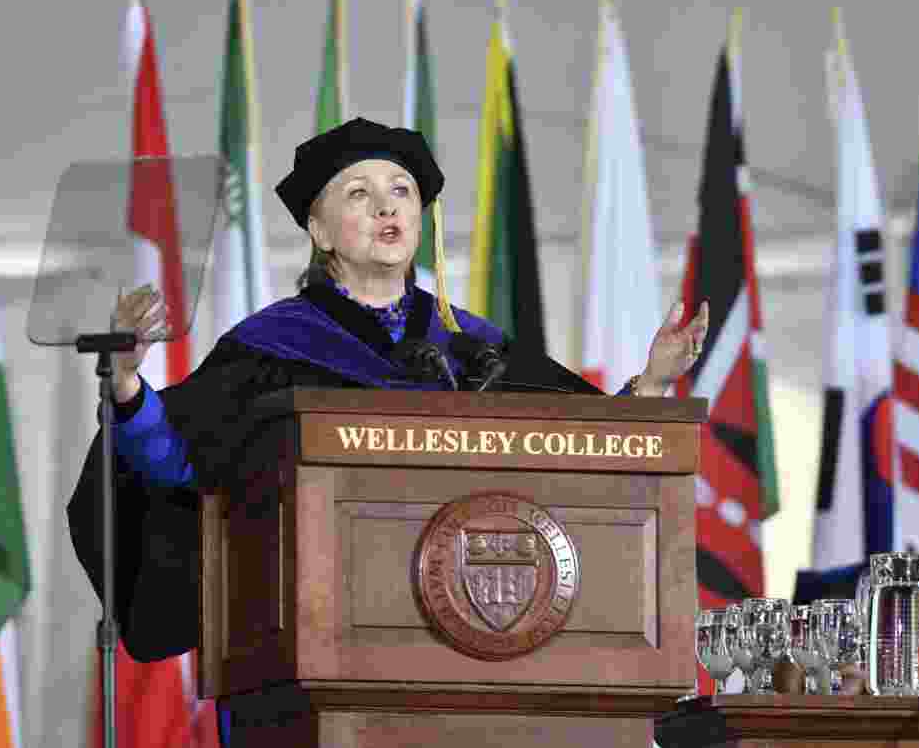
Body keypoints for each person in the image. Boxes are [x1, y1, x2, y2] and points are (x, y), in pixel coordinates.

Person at [67, 117, 709, 665]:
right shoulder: (271, 349)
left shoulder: (475, 348)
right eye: (359, 193)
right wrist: (125, 382)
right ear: (319, 232)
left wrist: (651, 383)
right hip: (319, 651)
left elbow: (581, 449)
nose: (387, 206)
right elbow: (179, 468)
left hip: (484, 644)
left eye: (401, 190)